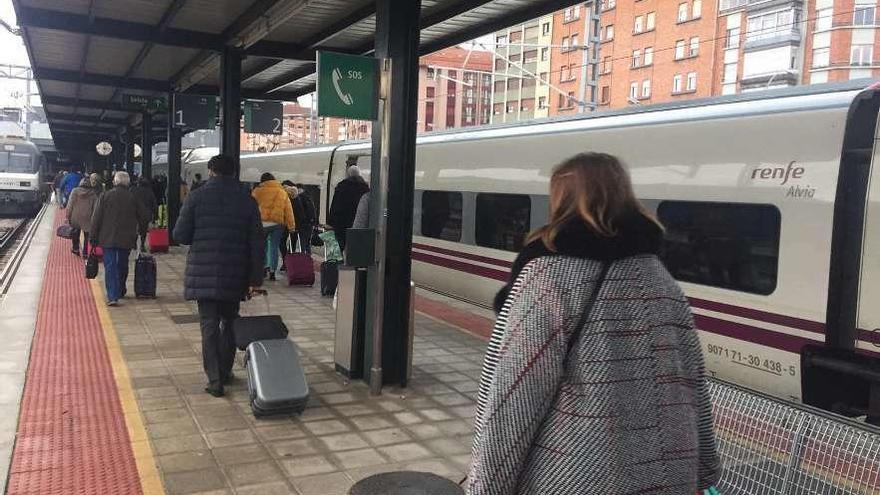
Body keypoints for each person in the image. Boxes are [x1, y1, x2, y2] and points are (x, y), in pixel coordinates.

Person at [467, 153, 720, 495]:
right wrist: (704, 467)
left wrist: (487, 486)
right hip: (667, 471)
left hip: (574, 474)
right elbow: (691, 381)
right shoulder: (662, 281)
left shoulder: (548, 279)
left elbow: (516, 395)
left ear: (564, 199)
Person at [173, 155, 264, 397]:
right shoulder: (247, 200)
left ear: (211, 171)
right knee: (230, 322)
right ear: (234, 172)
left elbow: (180, 235)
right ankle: (225, 371)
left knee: (208, 326)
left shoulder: (196, 196)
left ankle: (214, 380)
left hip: (203, 272)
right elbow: (257, 243)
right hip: (235, 274)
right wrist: (255, 280)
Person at [90, 171, 150, 306]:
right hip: (126, 238)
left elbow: (96, 218)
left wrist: (93, 237)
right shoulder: (132, 197)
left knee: (110, 266)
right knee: (122, 265)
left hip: (107, 238)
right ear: (127, 183)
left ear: (115, 182)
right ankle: (121, 289)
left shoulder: (104, 196)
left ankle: (112, 296)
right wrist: (141, 231)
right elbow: (144, 217)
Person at [251, 173, 294, 281]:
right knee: (274, 247)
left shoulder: (257, 191)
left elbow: (250, 207)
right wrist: (291, 226)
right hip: (277, 224)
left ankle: (263, 268)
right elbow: (288, 210)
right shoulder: (282, 192)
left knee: (262, 246)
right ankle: (272, 271)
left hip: (261, 223)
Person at [328, 165, 369, 251]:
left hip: (342, 223)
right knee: (354, 248)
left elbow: (335, 205)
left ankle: (342, 262)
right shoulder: (365, 188)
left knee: (340, 246)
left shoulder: (341, 187)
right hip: (356, 222)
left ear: (348, 174)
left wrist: (331, 222)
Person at [65, 177, 98, 257]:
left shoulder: (75, 191)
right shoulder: (93, 193)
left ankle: (75, 249)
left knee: (75, 232)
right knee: (87, 235)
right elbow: (96, 207)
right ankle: (86, 252)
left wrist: (68, 216)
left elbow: (70, 205)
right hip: (87, 217)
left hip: (75, 216)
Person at [132, 177, 159, 251]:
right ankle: (142, 245)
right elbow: (154, 204)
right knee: (143, 231)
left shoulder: (133, 190)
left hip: (135, 213)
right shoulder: (149, 191)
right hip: (145, 214)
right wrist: (155, 215)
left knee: (135, 229)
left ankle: (134, 244)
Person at [294, 183, 317, 254]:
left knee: (303, 243)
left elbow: (299, 212)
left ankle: (303, 259)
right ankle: (308, 258)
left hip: (303, 224)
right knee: (307, 243)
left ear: (299, 189)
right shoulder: (309, 196)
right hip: (310, 223)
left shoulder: (300, 198)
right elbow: (313, 211)